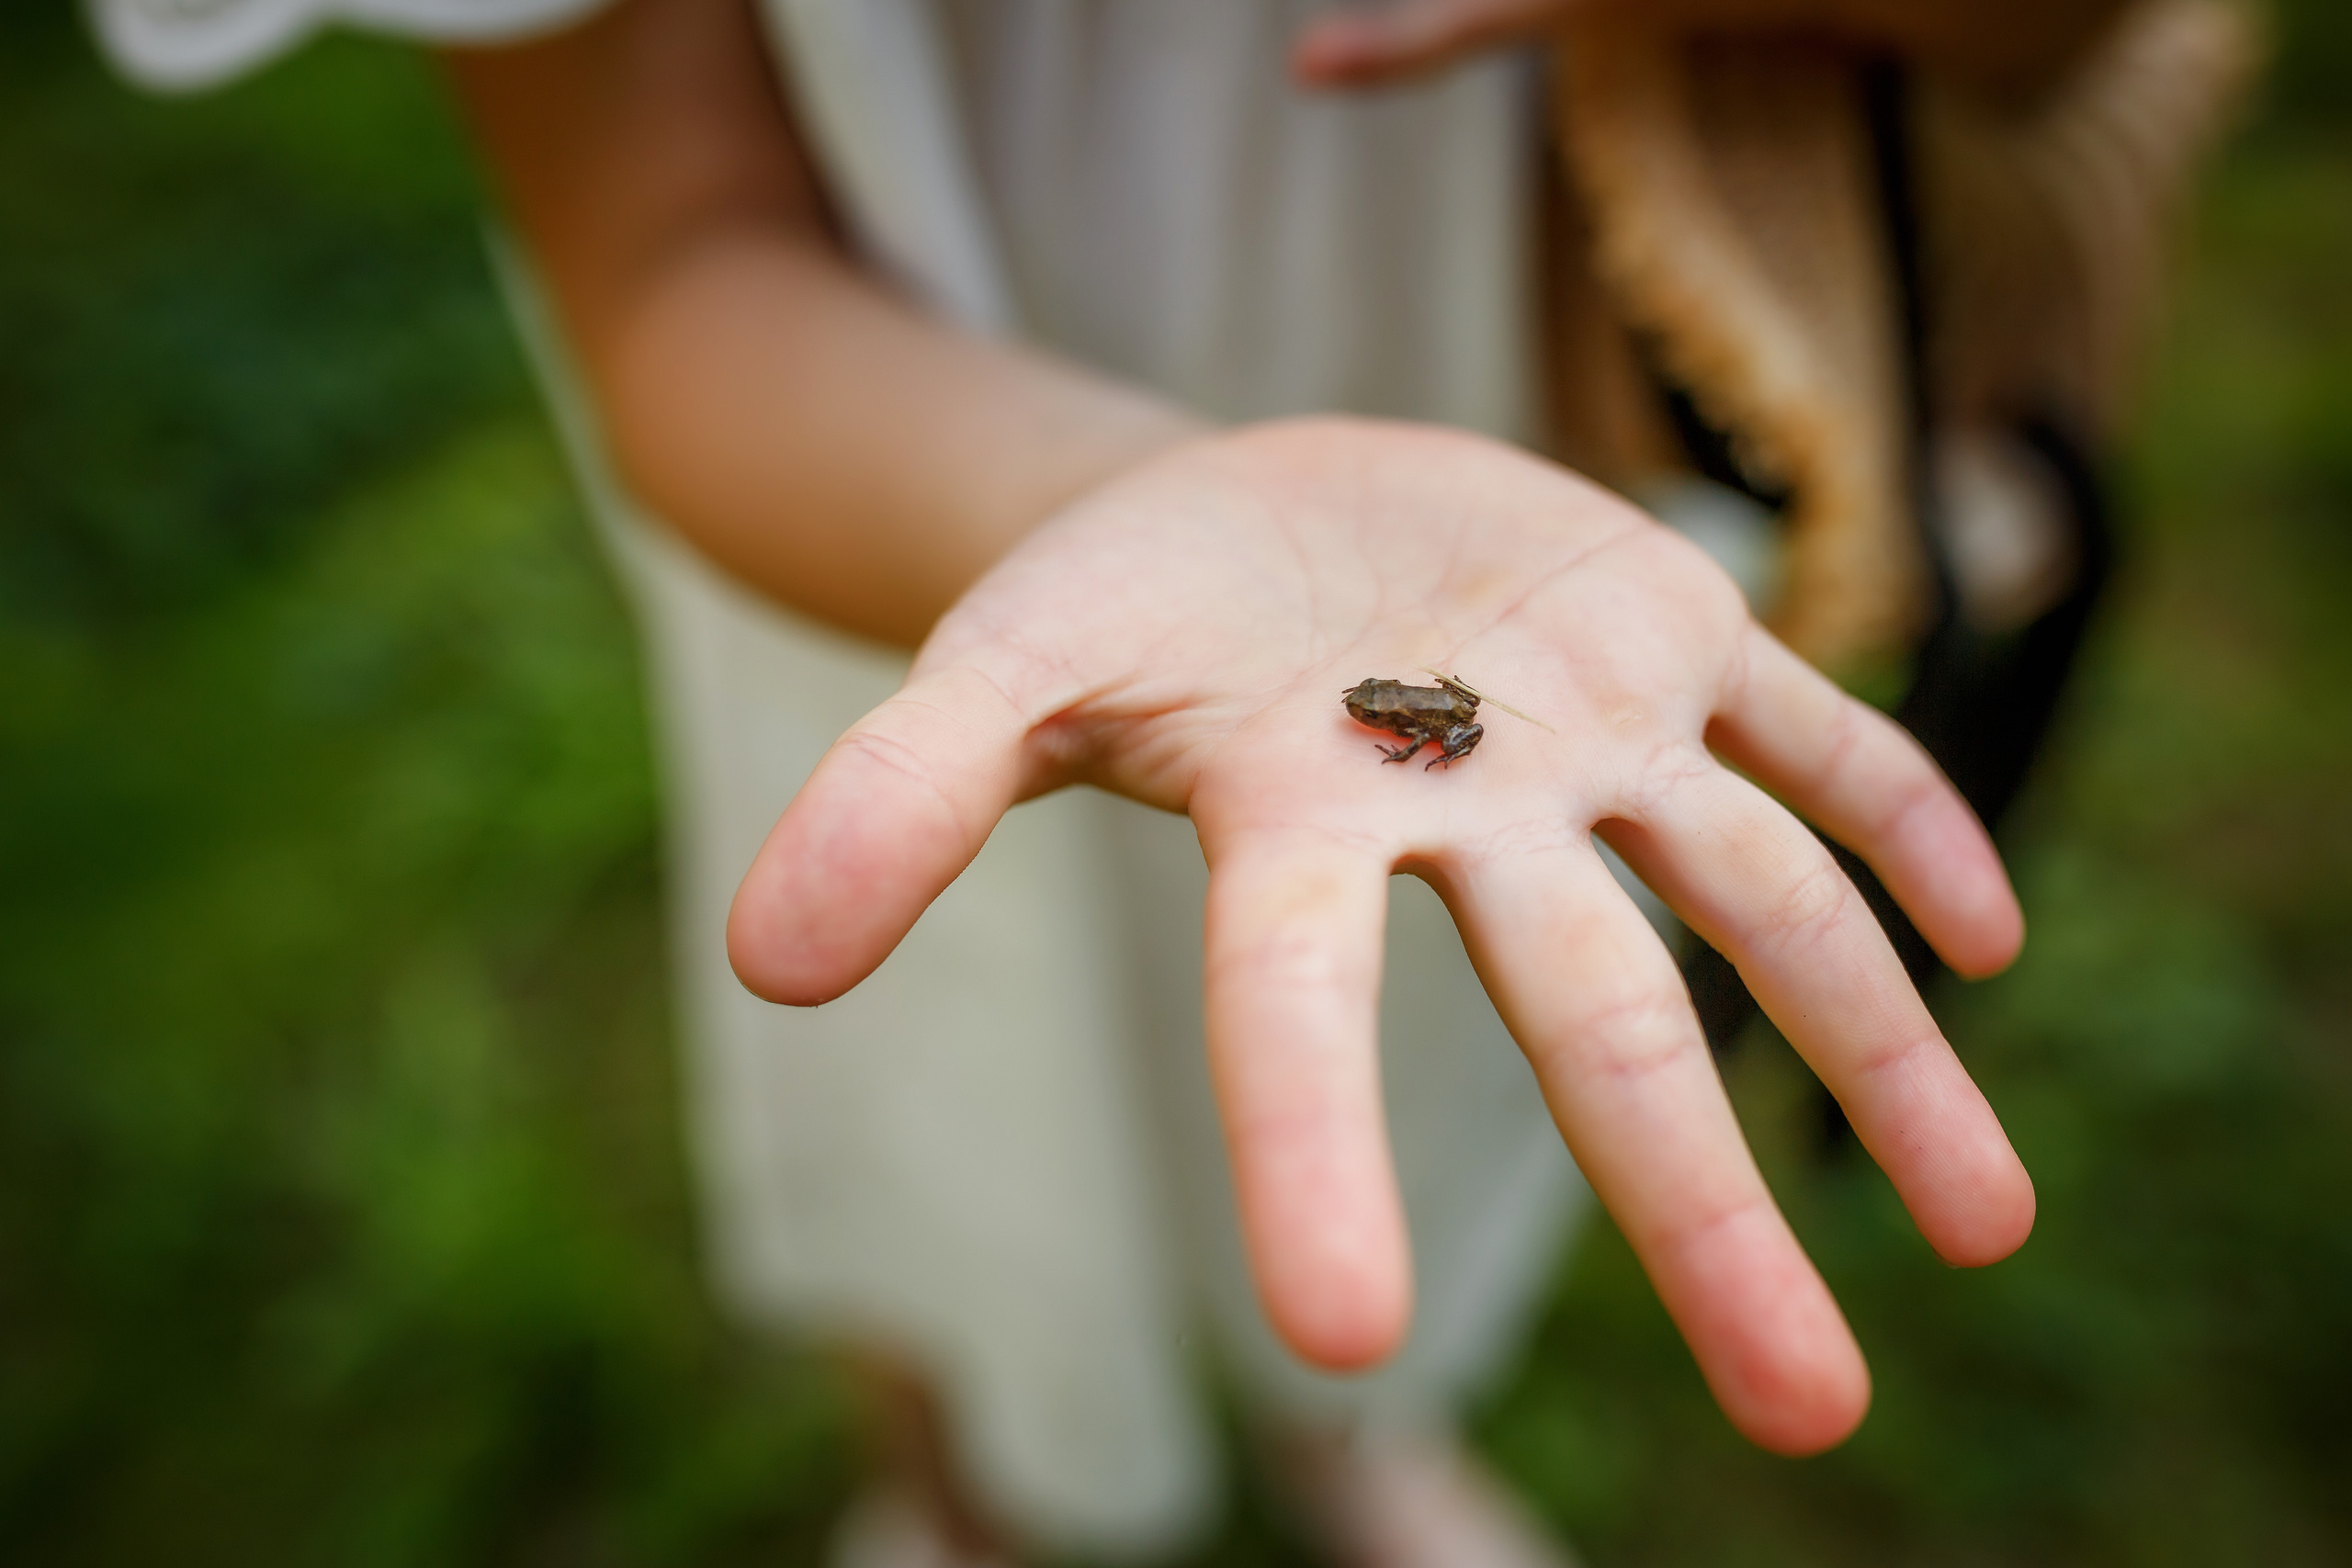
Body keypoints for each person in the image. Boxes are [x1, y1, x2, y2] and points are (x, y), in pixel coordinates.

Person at [92, 0, 2242, 1562]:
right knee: (959, 1053)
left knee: (1412, 1024)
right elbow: (669, 243)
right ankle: (954, 1481)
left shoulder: (1438, 692)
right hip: (897, 500)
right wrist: (1128, 494)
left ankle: (1350, 1431)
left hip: (1512, 415)